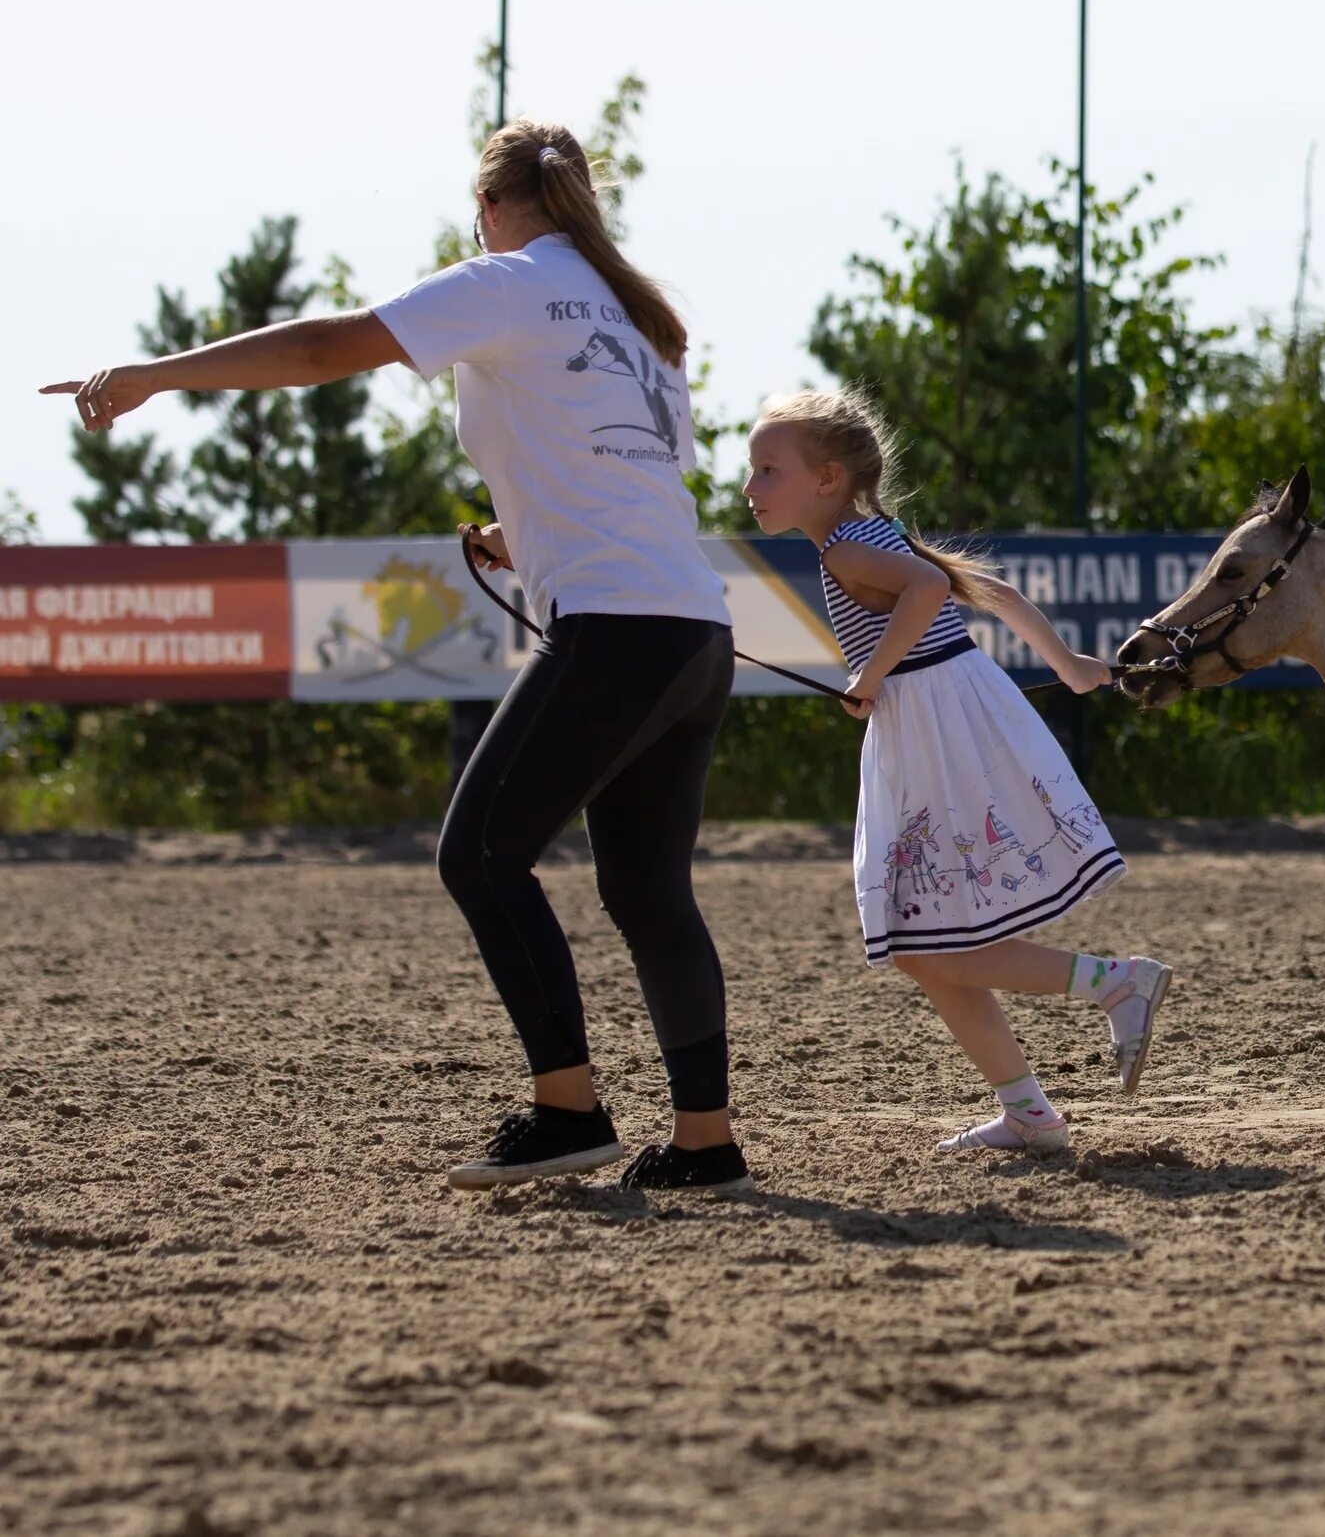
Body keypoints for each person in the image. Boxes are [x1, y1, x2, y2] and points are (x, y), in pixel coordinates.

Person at [47, 121, 751, 1193]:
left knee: (478, 853)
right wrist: (529, 538)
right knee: (650, 894)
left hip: (617, 626)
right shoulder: (640, 316)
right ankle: (705, 1142)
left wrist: (155, 374)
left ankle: (567, 1109)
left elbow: (328, 349)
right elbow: (616, 475)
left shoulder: (510, 280)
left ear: (493, 209)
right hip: (692, 629)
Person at [741, 386, 1173, 1153]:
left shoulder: (845, 545)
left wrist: (869, 676)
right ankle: (1031, 1112)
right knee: (920, 947)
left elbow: (932, 588)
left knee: (924, 943)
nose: (750, 488)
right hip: (940, 721)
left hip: (936, 730)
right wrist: (1068, 666)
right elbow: (990, 589)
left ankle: (1115, 981)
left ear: (828, 477)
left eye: (768, 469)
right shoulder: (864, 532)